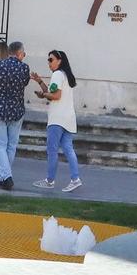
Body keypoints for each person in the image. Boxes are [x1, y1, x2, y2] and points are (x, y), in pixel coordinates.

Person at [34, 49, 82, 192]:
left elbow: (56, 96)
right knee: (68, 148)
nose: (48, 62)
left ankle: (50, 180)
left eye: (51, 59)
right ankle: (75, 179)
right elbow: (51, 92)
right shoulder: (66, 75)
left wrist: (43, 94)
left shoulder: (57, 74)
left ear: (59, 61)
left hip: (57, 119)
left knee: (52, 150)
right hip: (68, 118)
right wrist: (40, 83)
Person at [0, 40, 31, 191]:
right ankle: (5, 176)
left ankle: (4, 176)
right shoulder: (24, 68)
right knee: (11, 145)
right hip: (16, 110)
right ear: (19, 53)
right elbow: (24, 84)